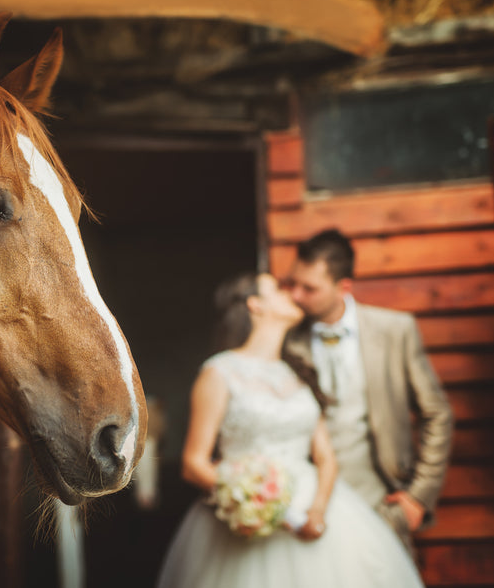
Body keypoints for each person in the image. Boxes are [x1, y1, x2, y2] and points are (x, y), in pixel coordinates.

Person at [156, 272, 424, 588]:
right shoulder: (220, 372)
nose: (292, 295)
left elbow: (325, 457)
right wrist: (266, 507)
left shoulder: (298, 374)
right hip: (246, 522)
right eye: (279, 290)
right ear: (255, 304)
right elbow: (193, 464)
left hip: (320, 512)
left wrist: (317, 512)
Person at [285, 228, 454, 554]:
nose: (295, 296)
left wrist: (419, 496)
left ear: (343, 287)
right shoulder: (286, 340)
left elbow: (437, 413)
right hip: (309, 502)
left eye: (309, 288)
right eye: (292, 283)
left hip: (381, 500)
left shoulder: (395, 330)